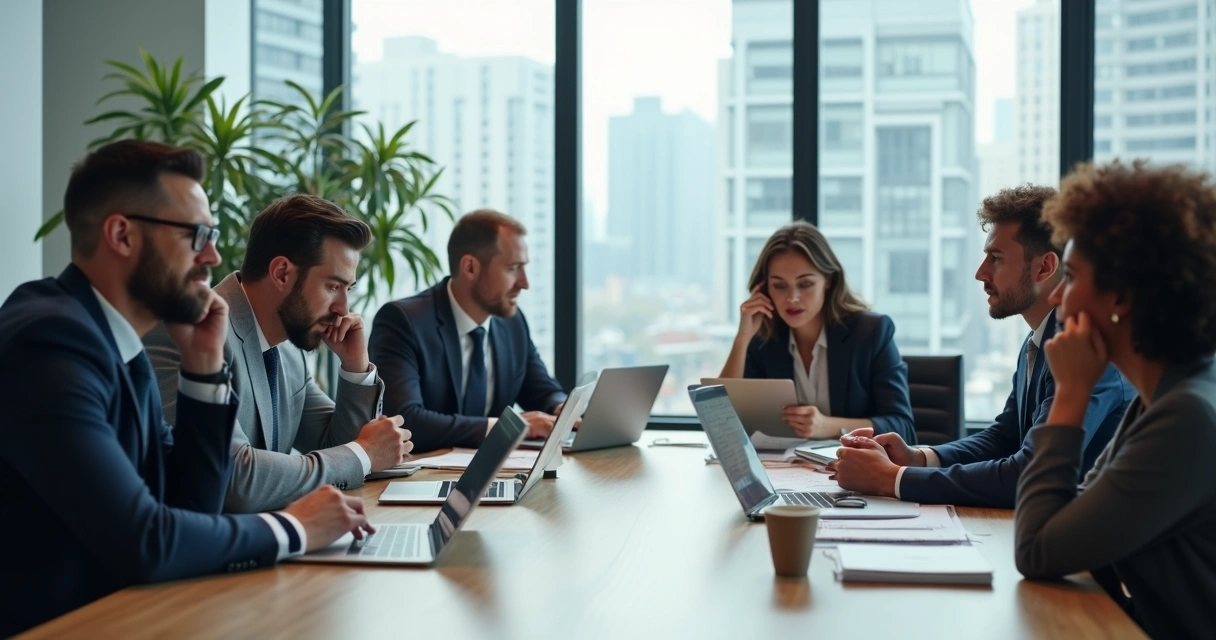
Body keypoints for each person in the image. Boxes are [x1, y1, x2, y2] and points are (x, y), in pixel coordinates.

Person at [0, 141, 371, 636]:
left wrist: (203, 368)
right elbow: (146, 539)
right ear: (122, 235)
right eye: (196, 235)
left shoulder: (117, 343)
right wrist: (296, 527)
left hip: (130, 614)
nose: (213, 256)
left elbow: (191, 506)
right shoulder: (49, 342)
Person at [829, 186, 1131, 507]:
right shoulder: (1038, 341)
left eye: (996, 258)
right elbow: (1005, 437)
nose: (980, 273)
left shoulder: (1089, 353)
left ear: (1044, 267)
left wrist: (890, 478)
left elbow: (1027, 473)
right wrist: (918, 458)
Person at [1014, 161, 1216, 639]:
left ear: (1121, 297)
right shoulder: (1165, 396)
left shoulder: (1186, 416)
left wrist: (1071, 393)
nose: (1057, 298)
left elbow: (1036, 549)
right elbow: (1071, 520)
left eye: (1071, 276)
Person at [144, 195, 412, 513]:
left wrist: (355, 368)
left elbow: (340, 449)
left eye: (348, 289)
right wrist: (364, 453)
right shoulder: (190, 334)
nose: (344, 309)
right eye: (332, 287)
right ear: (282, 273)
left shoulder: (287, 350)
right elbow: (236, 481)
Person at [369, 210, 566, 452]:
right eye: (513, 268)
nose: (524, 283)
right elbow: (404, 421)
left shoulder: (512, 322)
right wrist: (507, 427)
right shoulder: (404, 321)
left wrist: (562, 409)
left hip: (495, 469)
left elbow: (542, 391)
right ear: (470, 267)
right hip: (424, 471)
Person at [719, 221, 915, 442]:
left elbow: (903, 428)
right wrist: (742, 338)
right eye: (779, 285)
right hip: (786, 463)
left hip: (852, 462)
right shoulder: (763, 338)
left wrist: (828, 426)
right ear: (764, 289)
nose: (792, 298)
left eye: (805, 284)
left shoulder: (871, 332)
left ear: (828, 281)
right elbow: (720, 422)